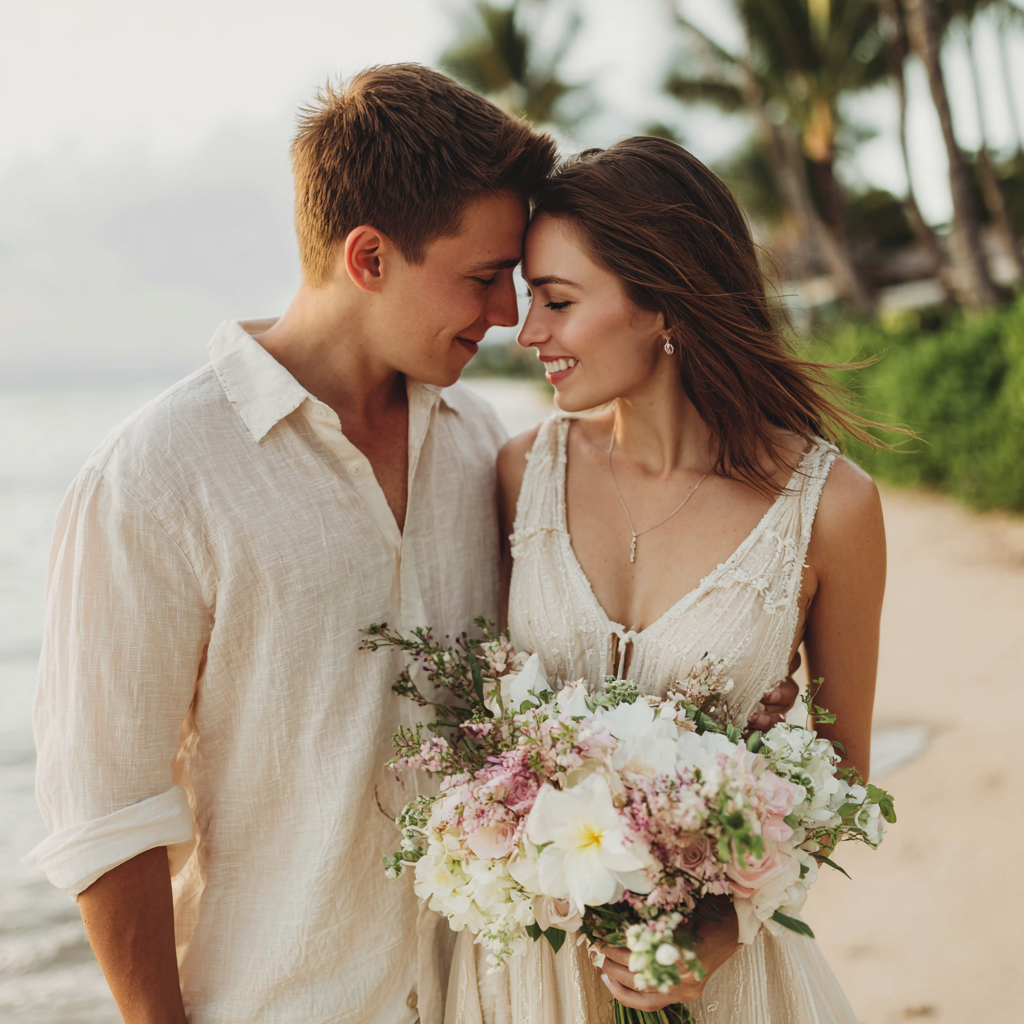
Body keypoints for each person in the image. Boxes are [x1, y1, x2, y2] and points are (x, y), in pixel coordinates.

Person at [22, 64, 558, 1024]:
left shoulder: (483, 443)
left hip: (491, 1000)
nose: (508, 315)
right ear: (369, 258)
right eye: (484, 278)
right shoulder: (155, 476)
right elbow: (108, 816)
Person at [449, 138, 886, 1023]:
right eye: (531, 299)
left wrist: (714, 935)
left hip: (721, 984)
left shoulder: (831, 507)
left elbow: (843, 783)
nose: (529, 333)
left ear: (661, 303)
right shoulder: (521, 471)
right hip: (531, 979)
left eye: (558, 301)